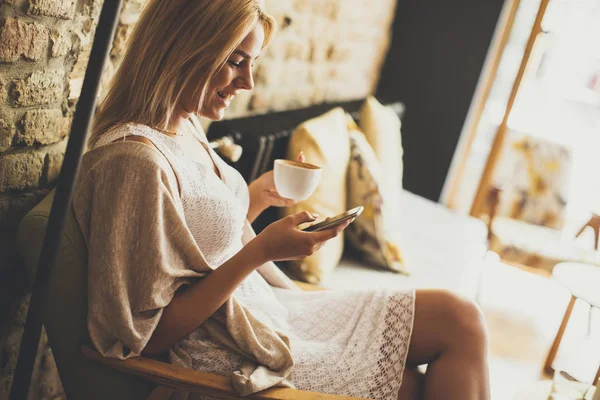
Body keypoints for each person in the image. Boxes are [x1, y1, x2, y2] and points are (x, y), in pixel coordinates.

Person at [73, 0, 491, 399]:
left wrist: (254, 198)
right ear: (184, 46)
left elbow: (195, 251)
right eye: (236, 61)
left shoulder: (183, 125)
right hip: (225, 350)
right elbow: (146, 336)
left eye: (251, 63)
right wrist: (261, 250)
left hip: (266, 310)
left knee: (461, 316)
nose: (247, 82)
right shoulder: (132, 162)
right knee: (413, 387)